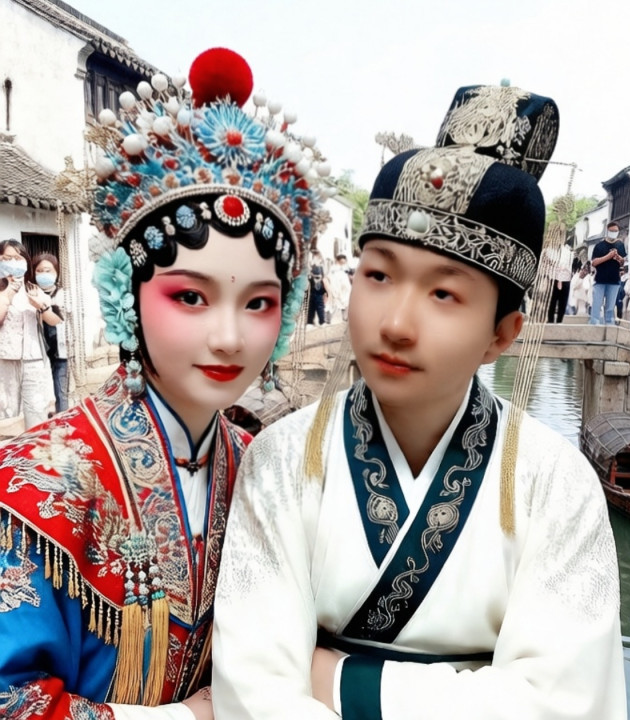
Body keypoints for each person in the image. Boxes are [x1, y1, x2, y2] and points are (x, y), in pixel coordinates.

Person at [213, 83, 627, 719]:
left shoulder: (557, 484)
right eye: (378, 275)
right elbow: (255, 689)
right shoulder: (279, 462)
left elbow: (559, 703)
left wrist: (337, 681)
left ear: (501, 334)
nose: (396, 323)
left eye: (443, 294)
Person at [0, 47, 327, 719]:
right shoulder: (36, 482)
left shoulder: (261, 467)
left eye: (259, 303)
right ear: (127, 293)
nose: (229, 337)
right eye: (190, 297)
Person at [0, 239, 58, 430]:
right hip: (5, 360)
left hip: (33, 360)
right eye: (7, 258)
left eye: (18, 258)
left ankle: (35, 446)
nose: (13, 263)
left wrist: (42, 306)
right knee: (6, 413)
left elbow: (53, 320)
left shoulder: (33, 288)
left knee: (36, 412)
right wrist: (8, 293)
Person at [31, 253, 70, 413]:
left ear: (56, 272)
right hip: (37, 354)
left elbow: (61, 321)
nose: (43, 274)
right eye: (39, 271)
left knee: (61, 392)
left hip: (60, 352)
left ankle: (63, 420)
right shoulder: (30, 294)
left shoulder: (64, 295)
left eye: (48, 270)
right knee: (39, 396)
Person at [590, 221, 626, 325]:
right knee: (597, 305)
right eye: (612, 231)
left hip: (614, 280)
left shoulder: (620, 245)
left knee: (610, 307)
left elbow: (623, 262)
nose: (614, 233)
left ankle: (609, 325)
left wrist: (619, 258)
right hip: (600, 280)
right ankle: (594, 324)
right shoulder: (599, 245)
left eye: (616, 231)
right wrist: (608, 256)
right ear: (607, 230)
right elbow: (594, 262)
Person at [545, 240, 573, 323]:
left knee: (562, 303)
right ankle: (550, 321)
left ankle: (559, 321)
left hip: (565, 279)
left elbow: (569, 267)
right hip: (553, 278)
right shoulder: (548, 251)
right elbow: (546, 266)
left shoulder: (568, 252)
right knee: (551, 302)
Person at [326, 252, 352, 323]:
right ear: (338, 261)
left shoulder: (345, 268)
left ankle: (345, 317)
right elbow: (329, 277)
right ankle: (328, 319)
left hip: (344, 288)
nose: (343, 262)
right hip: (336, 286)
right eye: (341, 261)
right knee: (333, 303)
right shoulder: (333, 268)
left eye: (344, 261)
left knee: (345, 302)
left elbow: (347, 276)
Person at [307, 249, 329, 326]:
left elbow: (322, 276)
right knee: (312, 306)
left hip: (318, 288)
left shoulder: (319, 266)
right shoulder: (313, 266)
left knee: (318, 305)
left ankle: (320, 321)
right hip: (313, 287)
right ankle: (311, 322)